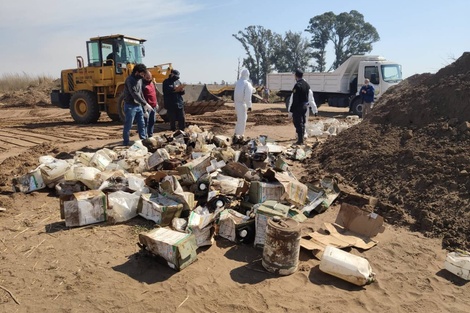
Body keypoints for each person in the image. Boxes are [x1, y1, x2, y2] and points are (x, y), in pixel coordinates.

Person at [122, 63, 153, 146]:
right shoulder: (130, 80)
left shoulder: (140, 80)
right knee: (129, 124)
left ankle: (143, 140)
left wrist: (144, 105)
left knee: (142, 123)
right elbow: (134, 94)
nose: (143, 76)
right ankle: (126, 142)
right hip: (130, 105)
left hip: (138, 105)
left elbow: (140, 93)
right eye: (142, 74)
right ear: (137, 72)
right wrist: (144, 103)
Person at [288, 69, 318, 145]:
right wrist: (315, 110)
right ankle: (301, 138)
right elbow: (311, 99)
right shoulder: (307, 85)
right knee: (303, 122)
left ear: (296, 76)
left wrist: (291, 110)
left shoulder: (297, 85)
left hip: (298, 107)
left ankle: (300, 140)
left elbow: (295, 99)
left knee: (297, 123)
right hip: (305, 106)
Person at [233, 68, 254, 142]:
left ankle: (236, 134)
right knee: (242, 121)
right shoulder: (247, 84)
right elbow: (247, 96)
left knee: (239, 120)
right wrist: (249, 106)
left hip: (236, 103)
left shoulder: (238, 82)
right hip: (242, 104)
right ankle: (239, 137)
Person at [142, 70, 159, 138]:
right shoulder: (143, 85)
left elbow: (154, 94)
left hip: (153, 106)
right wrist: (144, 108)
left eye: (150, 77)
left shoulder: (152, 84)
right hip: (147, 106)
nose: (149, 79)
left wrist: (156, 103)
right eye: (147, 77)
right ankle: (145, 136)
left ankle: (150, 135)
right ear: (144, 77)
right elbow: (141, 97)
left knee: (152, 121)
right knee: (145, 122)